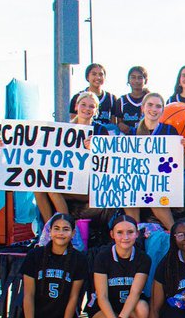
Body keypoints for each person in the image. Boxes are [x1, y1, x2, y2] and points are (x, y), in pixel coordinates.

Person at [19, 213, 88, 318]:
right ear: (49, 231)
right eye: (56, 229)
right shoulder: (34, 256)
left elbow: (73, 298)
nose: (61, 233)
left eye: (65, 229)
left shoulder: (79, 259)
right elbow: (28, 296)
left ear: (73, 233)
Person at [87, 214, 151, 318]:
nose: (125, 237)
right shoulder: (102, 257)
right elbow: (101, 296)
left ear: (137, 233)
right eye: (120, 232)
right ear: (112, 235)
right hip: (103, 308)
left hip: (129, 307)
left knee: (142, 307)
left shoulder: (143, 258)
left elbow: (135, 293)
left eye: (130, 232)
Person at [36, 90, 101, 220]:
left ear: (96, 111)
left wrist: (96, 149)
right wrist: (8, 142)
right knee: (40, 187)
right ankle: (50, 228)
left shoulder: (100, 130)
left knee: (52, 188)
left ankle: (65, 225)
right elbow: (32, 145)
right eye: (83, 104)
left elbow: (108, 160)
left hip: (90, 185)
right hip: (67, 181)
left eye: (91, 106)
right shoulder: (63, 129)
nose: (87, 109)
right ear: (76, 106)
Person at [127, 91, 178, 231]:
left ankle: (174, 233)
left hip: (161, 182)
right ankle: (134, 234)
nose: (153, 109)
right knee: (127, 191)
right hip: (137, 181)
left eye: (158, 106)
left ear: (162, 111)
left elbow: (179, 162)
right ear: (142, 107)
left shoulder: (170, 131)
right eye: (150, 105)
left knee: (154, 191)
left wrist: (184, 147)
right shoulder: (131, 133)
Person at [69, 63, 120, 134]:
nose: (98, 77)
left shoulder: (111, 98)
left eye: (101, 74)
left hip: (103, 135)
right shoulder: (78, 97)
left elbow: (113, 123)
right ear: (87, 77)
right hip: (81, 134)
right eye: (94, 74)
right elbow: (73, 120)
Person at [116, 66, 149, 134]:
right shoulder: (122, 101)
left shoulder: (150, 100)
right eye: (133, 77)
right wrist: (121, 125)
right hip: (128, 140)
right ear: (128, 80)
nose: (136, 81)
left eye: (140, 78)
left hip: (147, 138)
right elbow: (118, 122)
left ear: (145, 80)